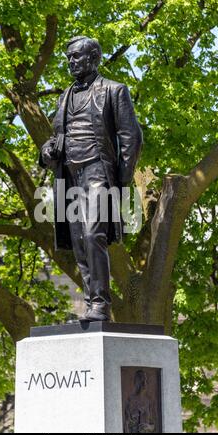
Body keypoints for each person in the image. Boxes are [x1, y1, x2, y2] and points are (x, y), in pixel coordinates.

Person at [39, 36, 143, 322]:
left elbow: (131, 137)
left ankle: (100, 304)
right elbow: (57, 137)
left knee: (92, 234)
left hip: (98, 170)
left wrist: (120, 181)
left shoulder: (114, 90)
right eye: (69, 57)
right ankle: (91, 305)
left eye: (77, 56)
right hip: (70, 175)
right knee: (78, 242)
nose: (72, 62)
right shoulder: (64, 97)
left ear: (94, 58)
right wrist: (47, 150)